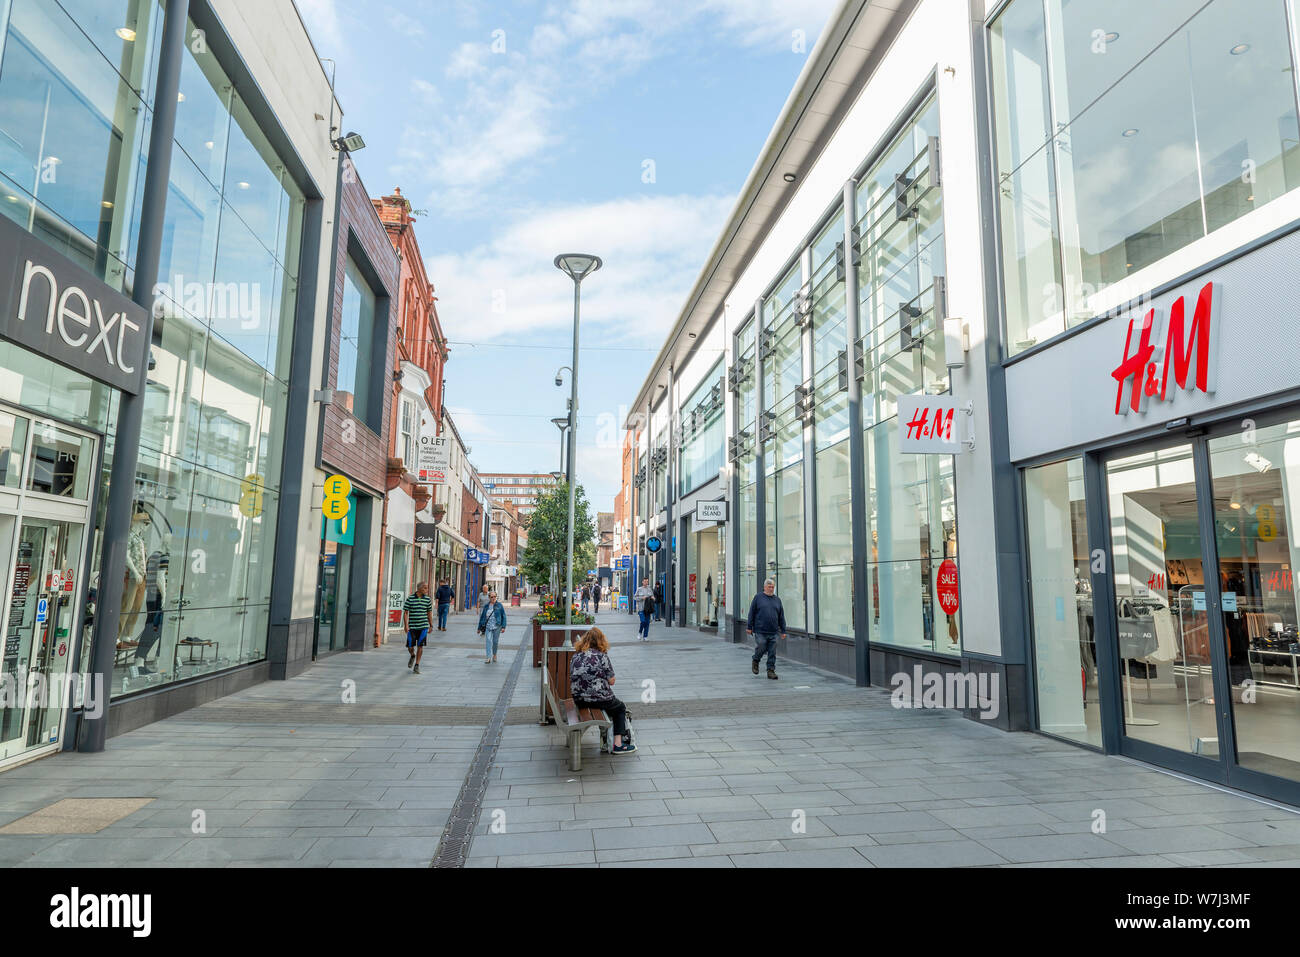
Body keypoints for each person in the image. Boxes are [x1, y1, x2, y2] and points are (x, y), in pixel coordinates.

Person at [569, 627, 635, 754]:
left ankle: (606, 740)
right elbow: (612, 681)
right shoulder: (602, 656)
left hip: (579, 699)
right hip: (598, 699)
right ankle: (618, 745)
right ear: (601, 641)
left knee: (609, 706)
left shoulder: (576, 656)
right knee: (620, 708)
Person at [747, 577, 787, 679]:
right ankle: (756, 660)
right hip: (760, 630)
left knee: (772, 652)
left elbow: (781, 616)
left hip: (774, 631)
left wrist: (783, 630)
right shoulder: (758, 598)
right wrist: (749, 626)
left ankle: (771, 671)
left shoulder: (777, 600)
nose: (771, 589)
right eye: (769, 587)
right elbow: (751, 612)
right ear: (765, 587)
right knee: (762, 646)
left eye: (772, 587)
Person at [403, 582, 433, 674]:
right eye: (425, 588)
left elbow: (429, 612)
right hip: (412, 627)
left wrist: (431, 625)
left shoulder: (427, 599)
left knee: (420, 645)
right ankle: (412, 655)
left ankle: (417, 665)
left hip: (423, 627)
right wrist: (406, 625)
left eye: (427, 588)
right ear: (419, 588)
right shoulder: (410, 598)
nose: (427, 590)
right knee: (410, 646)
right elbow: (405, 612)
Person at [477, 590, 506, 663]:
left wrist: (503, 627)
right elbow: (482, 617)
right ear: (489, 597)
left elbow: (503, 616)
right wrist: (479, 628)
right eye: (492, 597)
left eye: (495, 596)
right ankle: (488, 657)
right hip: (488, 626)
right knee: (488, 641)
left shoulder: (499, 605)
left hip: (497, 626)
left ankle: (494, 654)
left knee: (495, 642)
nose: (493, 598)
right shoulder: (486, 606)